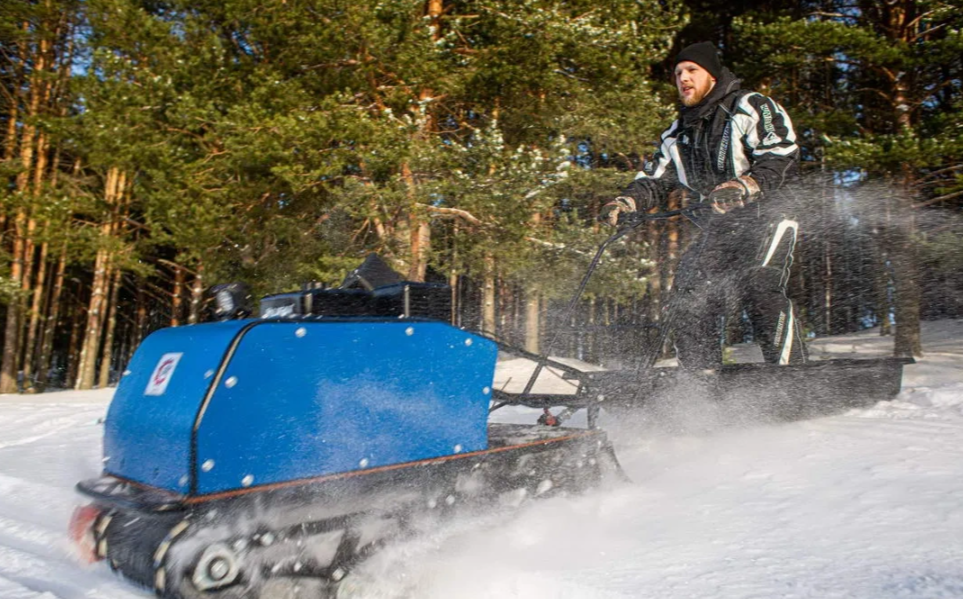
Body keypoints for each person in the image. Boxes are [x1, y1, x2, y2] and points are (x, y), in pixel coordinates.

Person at [601, 41, 806, 368]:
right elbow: (656, 178)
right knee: (689, 294)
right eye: (678, 72)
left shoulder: (750, 106)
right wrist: (626, 202)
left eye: (692, 70)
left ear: (711, 74)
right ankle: (701, 381)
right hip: (722, 226)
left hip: (769, 215)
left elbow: (780, 153)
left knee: (758, 284)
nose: (683, 78)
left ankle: (793, 376)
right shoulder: (678, 133)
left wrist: (745, 184)